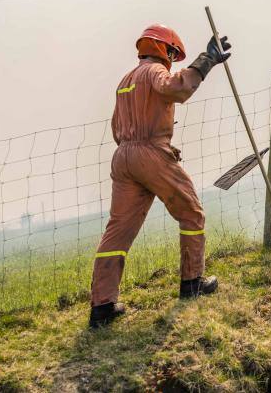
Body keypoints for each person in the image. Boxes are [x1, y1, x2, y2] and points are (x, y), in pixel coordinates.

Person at [89, 24, 231, 328]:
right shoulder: (154, 72)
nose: (172, 60)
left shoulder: (125, 80)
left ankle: (102, 306)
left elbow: (120, 128)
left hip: (123, 157)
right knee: (192, 214)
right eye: (173, 54)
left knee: (117, 232)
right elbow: (177, 88)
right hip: (149, 154)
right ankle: (192, 284)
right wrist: (207, 60)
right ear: (164, 49)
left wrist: (151, 148)